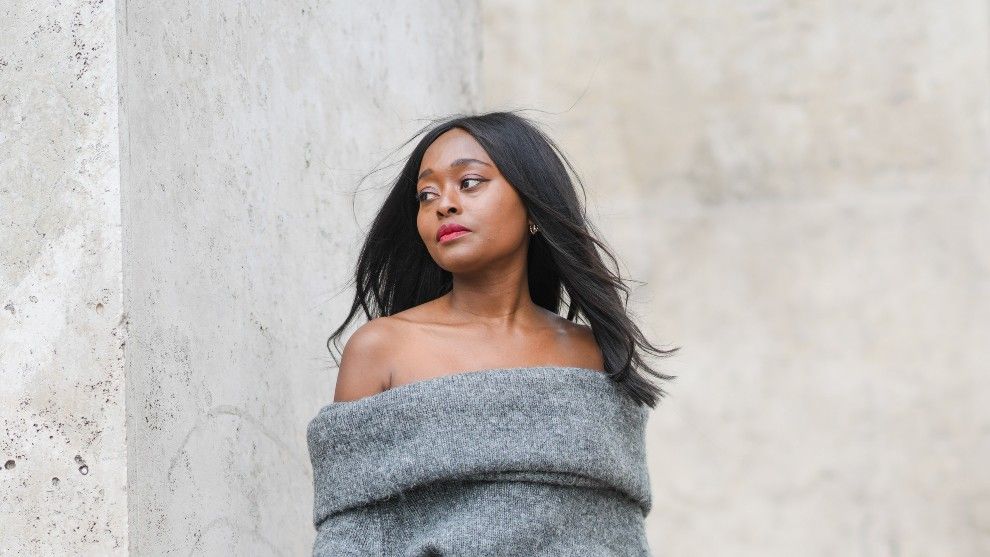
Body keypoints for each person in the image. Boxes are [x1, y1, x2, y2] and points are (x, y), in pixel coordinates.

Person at [306, 110, 679, 556]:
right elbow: (346, 536)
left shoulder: (593, 354)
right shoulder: (382, 348)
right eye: (427, 194)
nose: (444, 203)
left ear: (533, 207)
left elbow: (617, 535)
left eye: (469, 183)